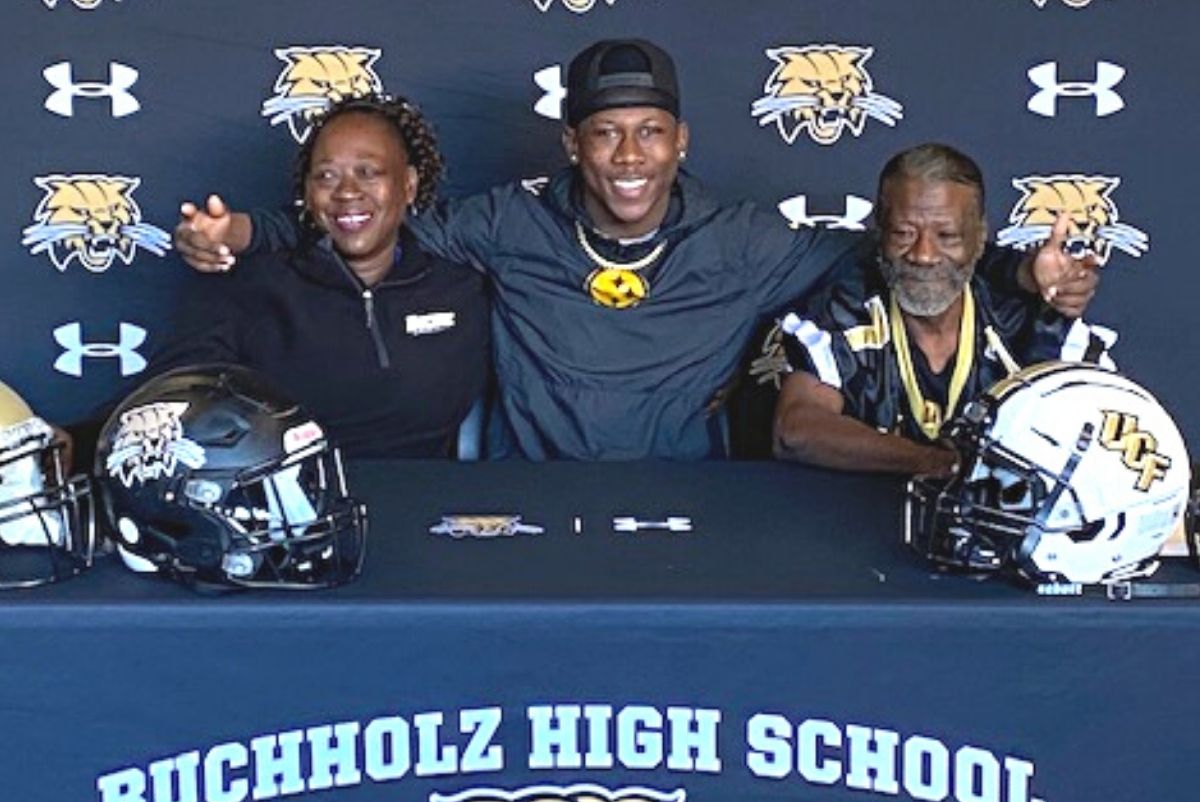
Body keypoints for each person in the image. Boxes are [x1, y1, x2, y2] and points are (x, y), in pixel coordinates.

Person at [172, 39, 1096, 461]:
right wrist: (241, 235)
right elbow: (365, 220)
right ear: (571, 144)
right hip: (524, 509)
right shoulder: (507, 223)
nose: (628, 157)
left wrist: (1022, 273)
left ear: (680, 142)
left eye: (650, 132)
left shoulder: (744, 238)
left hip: (691, 510)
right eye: (606, 134)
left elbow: (898, 254)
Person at [151, 94, 490, 460]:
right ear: (308, 193)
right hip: (293, 492)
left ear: (408, 185)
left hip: (428, 492)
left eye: (368, 172)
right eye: (326, 176)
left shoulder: (463, 291)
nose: (347, 192)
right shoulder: (252, 289)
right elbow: (169, 399)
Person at [772, 143, 1113, 476]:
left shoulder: (1030, 322)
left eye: (947, 235)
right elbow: (796, 432)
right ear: (880, 231)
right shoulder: (844, 315)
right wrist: (937, 463)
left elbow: (1111, 433)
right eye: (904, 233)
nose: (924, 255)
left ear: (979, 236)